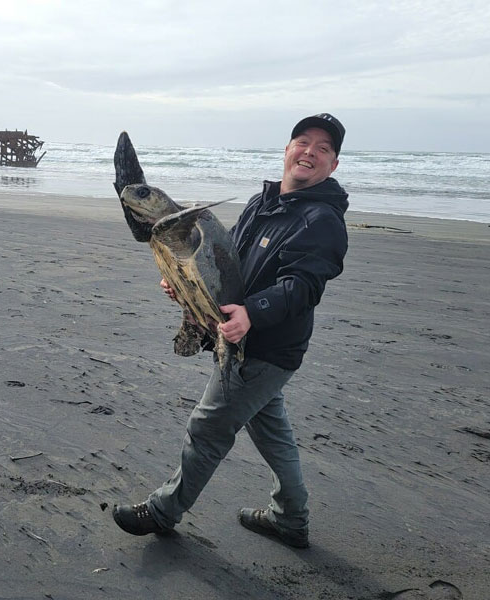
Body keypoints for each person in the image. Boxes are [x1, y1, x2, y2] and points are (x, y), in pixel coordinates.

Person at [112, 113, 349, 549]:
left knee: (208, 427)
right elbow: (226, 255)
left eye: (324, 148)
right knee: (272, 433)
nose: (310, 151)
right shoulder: (265, 202)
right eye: (303, 141)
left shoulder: (322, 221)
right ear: (287, 150)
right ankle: (290, 519)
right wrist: (183, 280)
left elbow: (303, 286)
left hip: (264, 347)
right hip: (250, 338)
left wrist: (252, 313)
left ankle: (163, 511)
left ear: (333, 165)